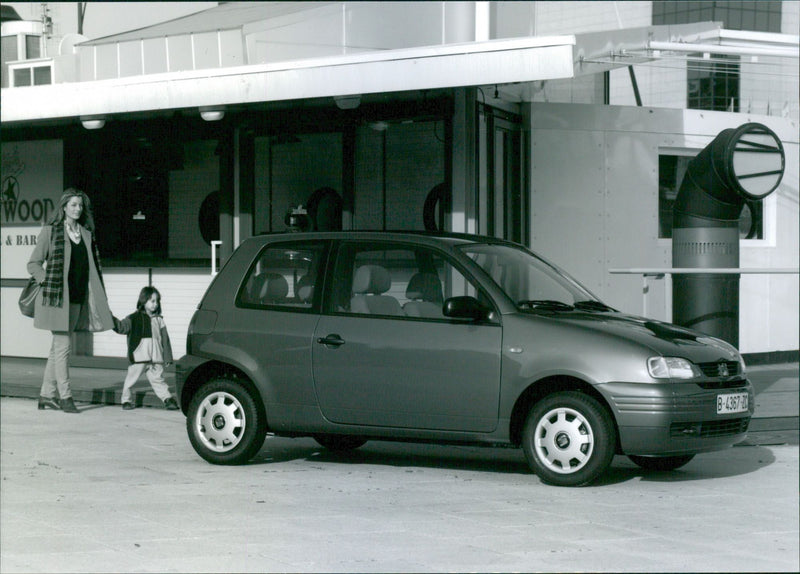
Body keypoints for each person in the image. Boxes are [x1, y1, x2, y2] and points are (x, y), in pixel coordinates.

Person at [27, 188, 115, 413]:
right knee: (63, 347)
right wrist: (47, 280)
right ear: (64, 207)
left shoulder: (86, 233)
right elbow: (33, 264)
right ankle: (66, 397)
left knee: (57, 349)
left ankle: (46, 395)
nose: (77, 209)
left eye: (80, 205)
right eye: (73, 204)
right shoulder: (51, 231)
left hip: (76, 299)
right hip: (56, 300)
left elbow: (91, 268)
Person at [113, 286, 179, 411]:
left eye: (157, 301)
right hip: (139, 357)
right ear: (143, 301)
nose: (155, 304)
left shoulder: (159, 320)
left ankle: (167, 399)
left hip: (156, 358)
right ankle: (126, 400)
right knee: (131, 380)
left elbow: (165, 340)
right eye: (152, 301)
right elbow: (121, 327)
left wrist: (167, 357)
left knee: (158, 380)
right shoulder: (133, 318)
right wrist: (110, 319)